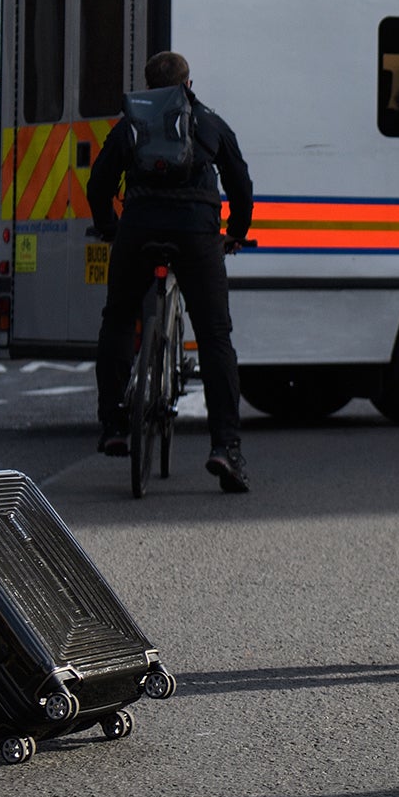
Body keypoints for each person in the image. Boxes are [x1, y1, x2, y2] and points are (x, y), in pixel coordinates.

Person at [87, 51, 254, 490]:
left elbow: (98, 184)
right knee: (216, 337)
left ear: (149, 84)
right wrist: (234, 232)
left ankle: (115, 426)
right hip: (198, 235)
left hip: (138, 231)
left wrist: (110, 228)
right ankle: (226, 450)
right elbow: (240, 183)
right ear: (188, 84)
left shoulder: (131, 125)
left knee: (120, 319)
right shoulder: (209, 122)